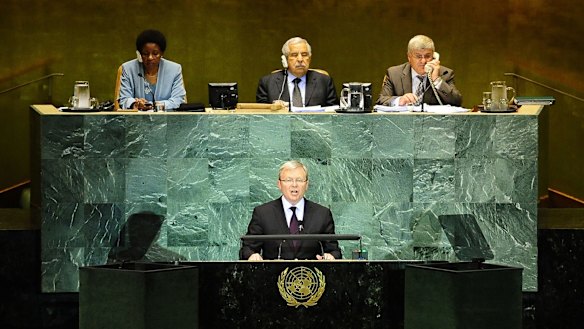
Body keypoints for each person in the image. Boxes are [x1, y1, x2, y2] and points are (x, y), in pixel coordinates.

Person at [240, 160, 341, 261]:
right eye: (288, 180)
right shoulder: (263, 213)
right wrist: (252, 256)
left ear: (306, 185)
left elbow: (335, 251)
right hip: (273, 275)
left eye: (299, 180)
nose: (294, 185)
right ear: (279, 184)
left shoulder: (322, 214)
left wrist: (330, 257)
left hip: (310, 275)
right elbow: (247, 248)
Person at [376, 35, 462, 107]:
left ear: (434, 56)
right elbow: (381, 100)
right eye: (418, 56)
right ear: (409, 57)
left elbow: (457, 101)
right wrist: (399, 100)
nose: (423, 61)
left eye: (427, 56)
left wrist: (436, 80)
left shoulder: (445, 74)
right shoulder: (394, 74)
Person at [256, 37, 337, 107]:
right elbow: (262, 116)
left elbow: (334, 114)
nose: (300, 59)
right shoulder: (267, 83)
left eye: (304, 55)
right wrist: (274, 108)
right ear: (285, 60)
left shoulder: (324, 82)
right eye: (294, 55)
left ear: (310, 58)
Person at [118, 29, 187, 111]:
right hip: (136, 122)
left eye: (155, 53)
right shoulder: (128, 69)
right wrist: (135, 104)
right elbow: (124, 99)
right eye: (145, 54)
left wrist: (153, 106)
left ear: (162, 53)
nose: (150, 58)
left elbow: (178, 100)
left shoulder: (174, 69)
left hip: (167, 121)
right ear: (140, 54)